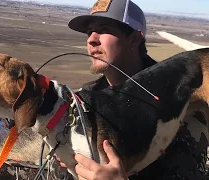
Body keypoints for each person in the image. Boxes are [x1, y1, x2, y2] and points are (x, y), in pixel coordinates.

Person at [57, 0, 209, 179]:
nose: (92, 39)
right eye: (89, 32)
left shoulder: (179, 93)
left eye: (104, 29)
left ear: (134, 39)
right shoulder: (87, 101)